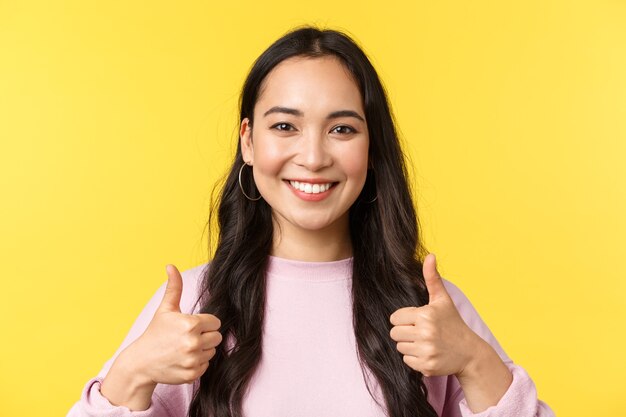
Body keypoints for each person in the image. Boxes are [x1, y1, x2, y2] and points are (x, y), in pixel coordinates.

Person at [67, 26, 556, 417]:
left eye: (342, 128)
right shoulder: (194, 306)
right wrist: (132, 373)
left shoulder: (432, 312)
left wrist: (474, 360)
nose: (314, 156)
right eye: (285, 126)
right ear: (249, 141)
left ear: (371, 147)